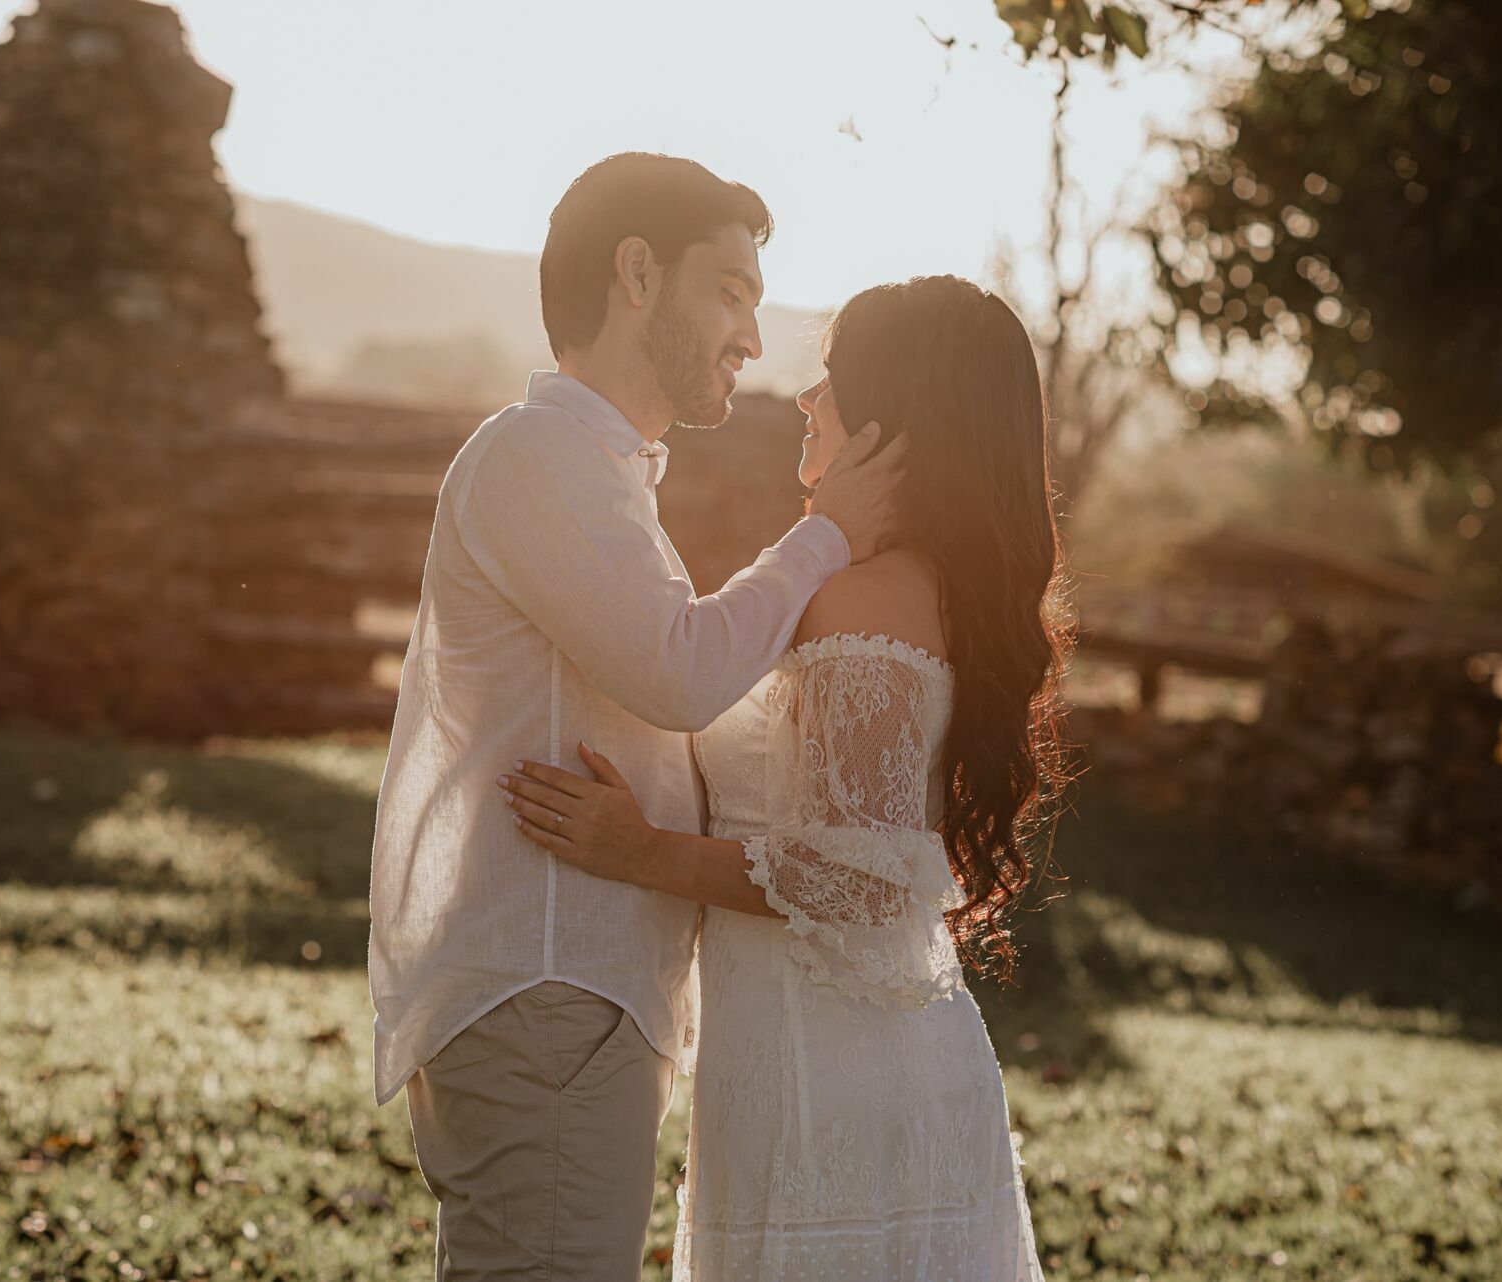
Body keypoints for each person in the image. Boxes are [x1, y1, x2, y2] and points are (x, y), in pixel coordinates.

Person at [365, 152, 907, 1279]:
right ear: (639, 273)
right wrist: (831, 535)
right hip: (547, 993)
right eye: (732, 292)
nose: (750, 339)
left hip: (571, 1003)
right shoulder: (539, 456)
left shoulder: (597, 473)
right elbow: (677, 671)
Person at [500, 275, 1068, 1279]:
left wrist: (640, 851)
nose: (807, 401)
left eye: (832, 381)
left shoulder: (865, 601)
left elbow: (863, 879)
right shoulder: (909, 586)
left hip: (832, 1080)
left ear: (895, 422)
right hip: (818, 1058)